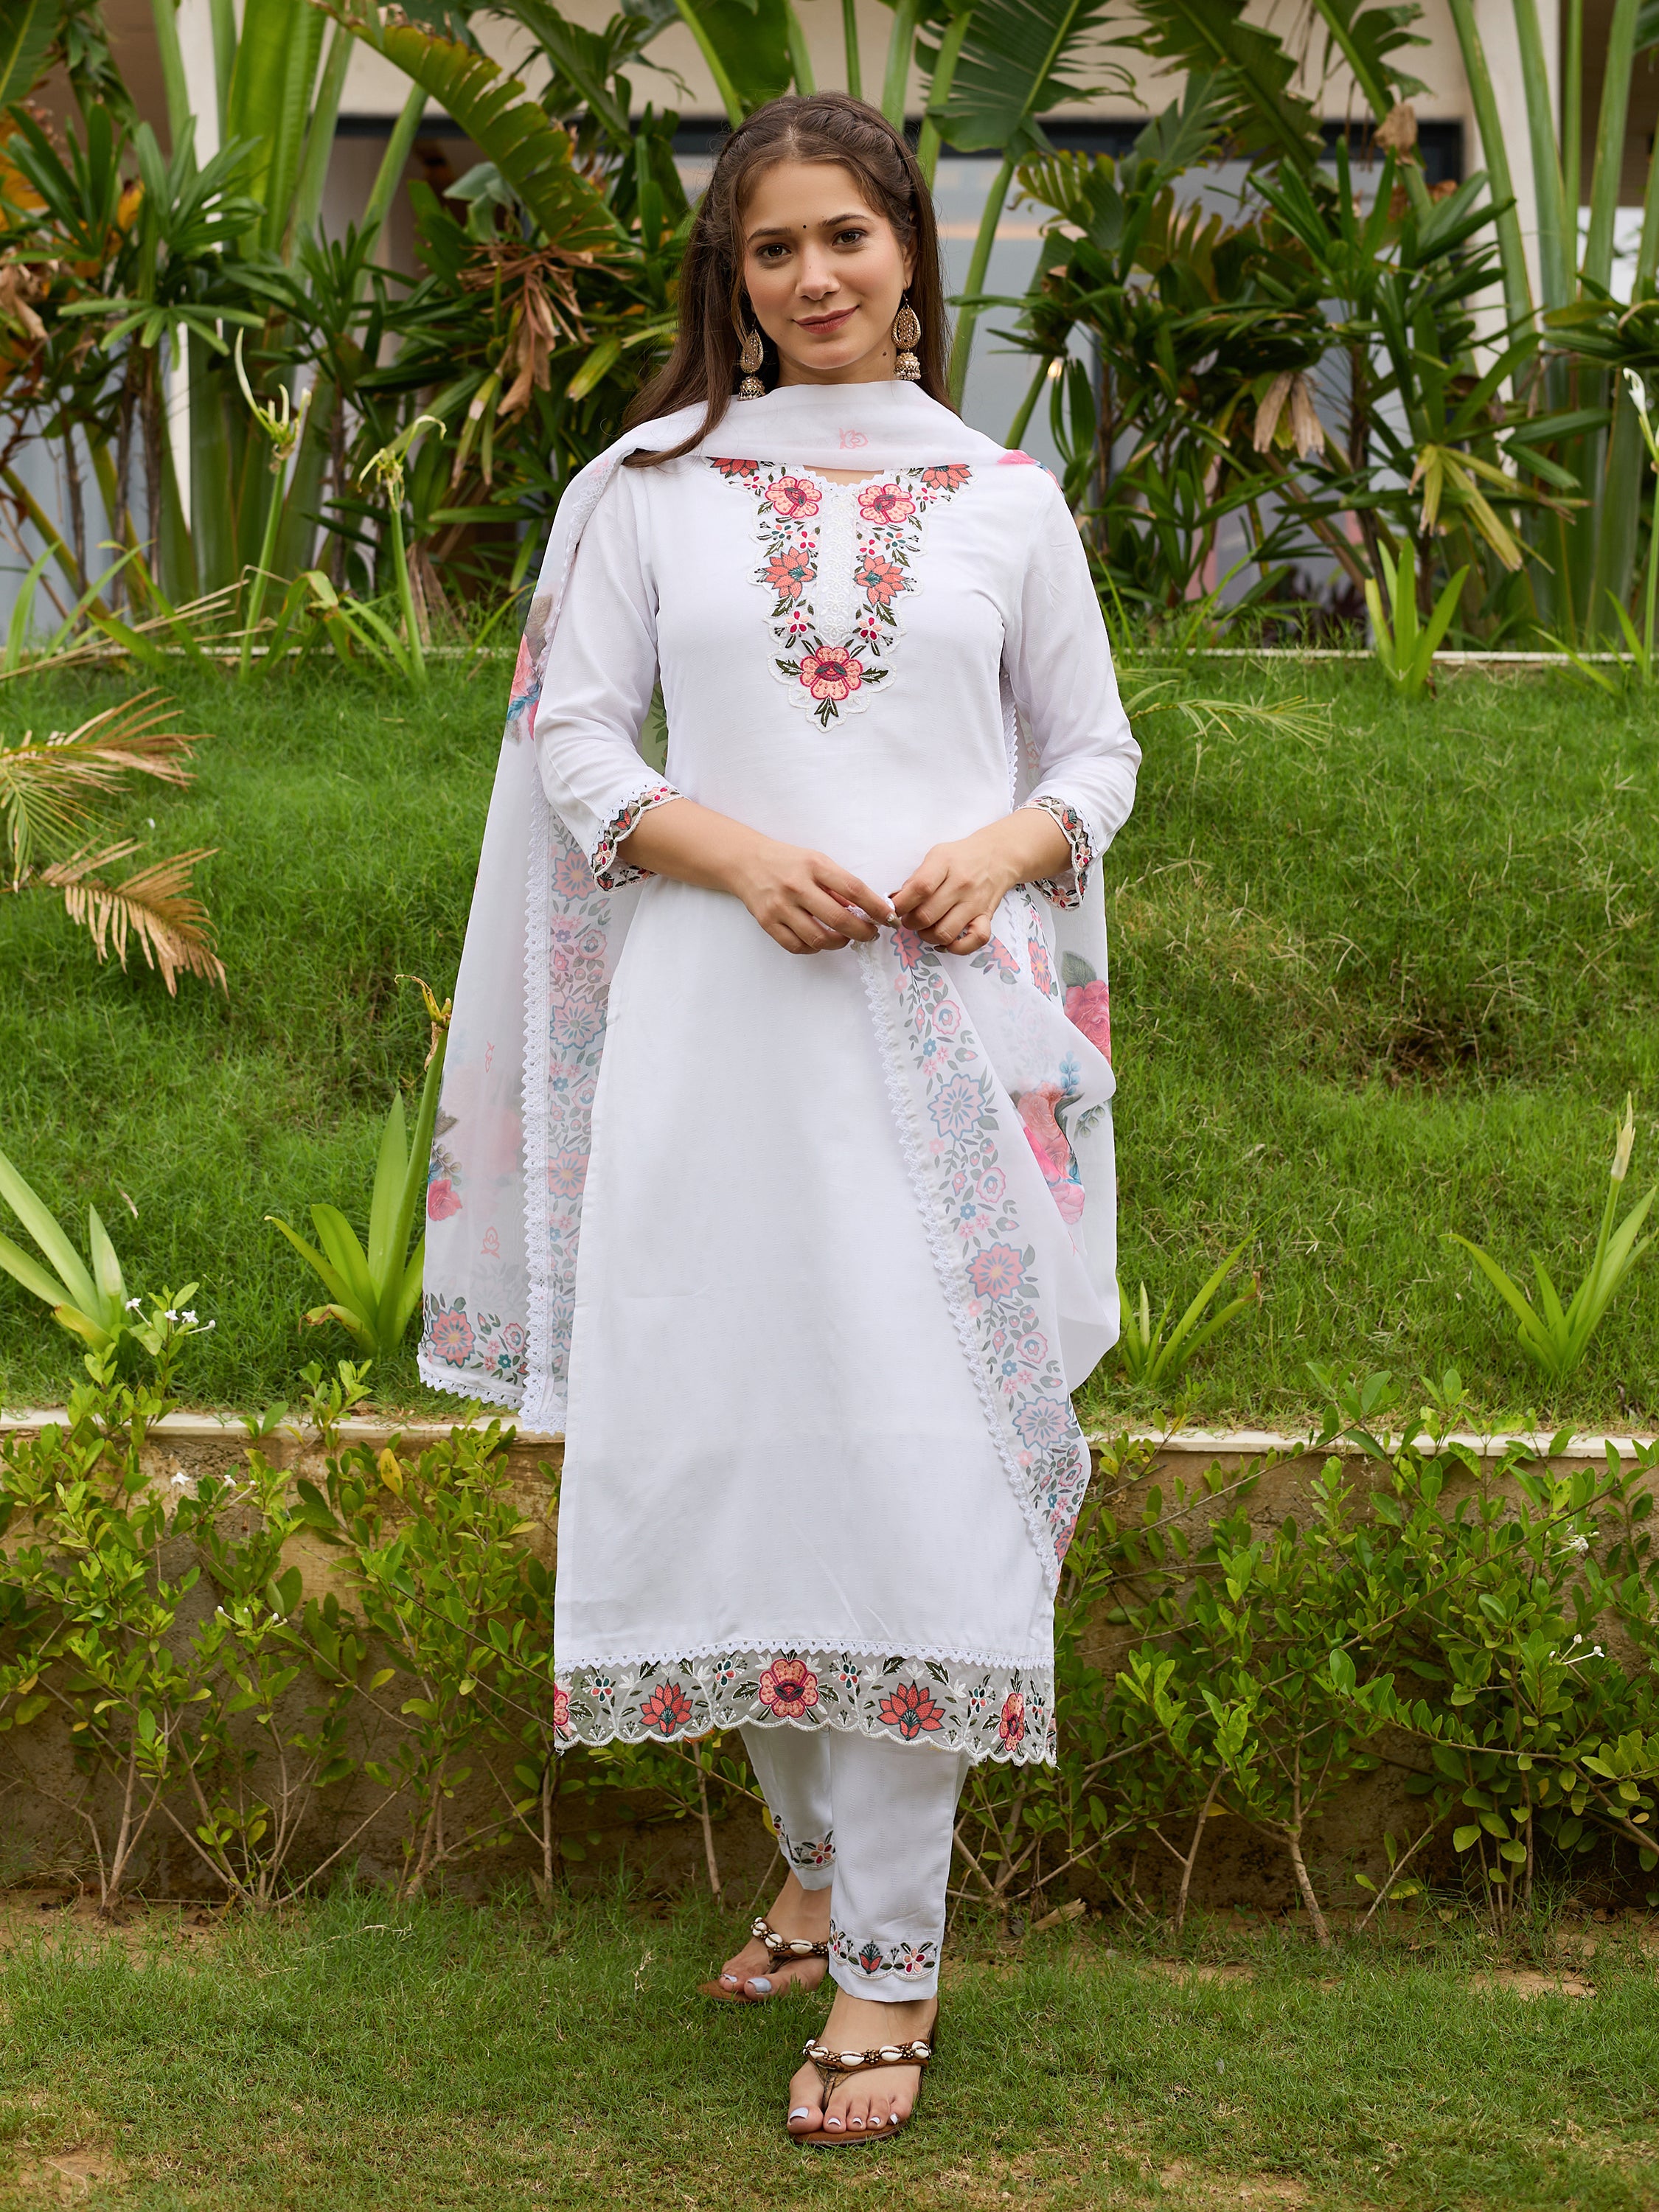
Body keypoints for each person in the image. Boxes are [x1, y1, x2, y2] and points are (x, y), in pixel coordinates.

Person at [420, 91, 1139, 2145]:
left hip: (938, 1052)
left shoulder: (1005, 500)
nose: (812, 277)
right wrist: (730, 858)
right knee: (739, 1454)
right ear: (727, 284)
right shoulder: (645, 489)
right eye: (769, 251)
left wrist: (1005, 849)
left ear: (910, 249)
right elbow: (570, 736)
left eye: (844, 237)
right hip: (713, 1044)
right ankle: (820, 1873)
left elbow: (1093, 749)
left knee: (912, 1470)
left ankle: (895, 1974)